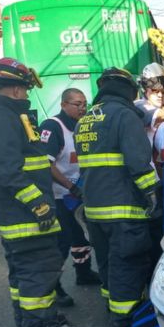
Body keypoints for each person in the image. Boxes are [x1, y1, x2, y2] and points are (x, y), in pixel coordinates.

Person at [0, 57, 78, 327]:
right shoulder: (2, 116)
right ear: (17, 89)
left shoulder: (1, 114)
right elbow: (7, 171)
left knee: (23, 273)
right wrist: (38, 204)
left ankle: (29, 321)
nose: (28, 94)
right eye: (26, 89)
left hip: (17, 215)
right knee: (39, 270)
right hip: (25, 216)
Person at [74, 67, 162, 327]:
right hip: (123, 206)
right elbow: (138, 161)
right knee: (128, 260)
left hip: (94, 207)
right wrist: (151, 192)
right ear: (128, 90)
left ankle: (111, 303)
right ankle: (125, 313)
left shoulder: (86, 119)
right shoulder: (124, 115)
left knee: (107, 260)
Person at [38, 88, 100, 308]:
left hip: (78, 192)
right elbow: (46, 164)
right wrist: (70, 186)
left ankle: (83, 272)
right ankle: (54, 287)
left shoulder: (82, 126)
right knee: (61, 242)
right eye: (77, 104)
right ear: (64, 104)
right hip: (59, 195)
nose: (83, 108)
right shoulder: (53, 127)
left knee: (80, 237)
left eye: (85, 103)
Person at [134, 63, 164, 145]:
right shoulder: (139, 106)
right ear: (144, 89)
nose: (160, 95)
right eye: (155, 90)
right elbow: (162, 116)